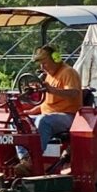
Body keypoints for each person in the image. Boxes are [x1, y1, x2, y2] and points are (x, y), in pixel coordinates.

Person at [16, 45, 82, 175]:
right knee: (19, 121)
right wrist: (29, 112)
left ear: (56, 58)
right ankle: (24, 159)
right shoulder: (48, 76)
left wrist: (52, 90)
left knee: (44, 121)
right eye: (40, 65)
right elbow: (47, 104)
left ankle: (33, 159)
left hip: (69, 116)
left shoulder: (68, 72)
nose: (42, 68)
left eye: (44, 63)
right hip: (50, 115)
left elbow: (74, 93)